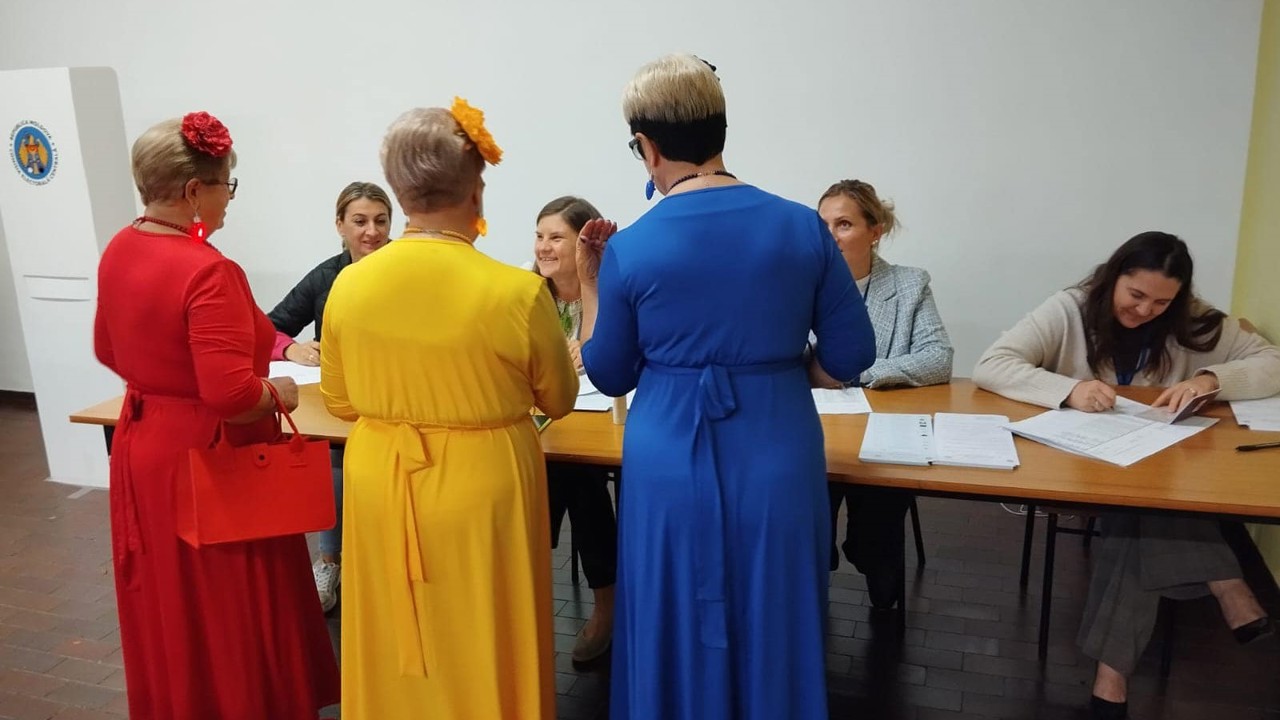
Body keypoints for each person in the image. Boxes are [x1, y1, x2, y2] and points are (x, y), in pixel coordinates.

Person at [577, 54, 876, 720]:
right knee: (776, 610)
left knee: (670, 608)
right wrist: (778, 368)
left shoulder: (633, 246)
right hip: (778, 448)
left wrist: (591, 286)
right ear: (720, 132)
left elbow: (611, 372)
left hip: (668, 461)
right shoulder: (802, 225)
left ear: (647, 148)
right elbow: (853, 354)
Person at [320, 99, 577, 719]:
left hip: (382, 476)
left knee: (394, 627)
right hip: (482, 483)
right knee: (484, 628)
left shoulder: (350, 285)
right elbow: (560, 398)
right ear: (476, 190)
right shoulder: (515, 292)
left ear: (402, 192)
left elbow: (339, 399)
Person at [973, 231, 1279, 720]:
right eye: (1135, 295)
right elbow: (991, 364)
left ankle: (1110, 682)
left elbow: (1272, 363)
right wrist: (1069, 389)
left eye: (1162, 302)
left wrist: (1211, 379)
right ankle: (1226, 581)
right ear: (1114, 277)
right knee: (1144, 509)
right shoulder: (1070, 308)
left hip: (1148, 464)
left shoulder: (1191, 318)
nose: (1145, 310)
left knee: (1138, 514)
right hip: (1073, 467)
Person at [94, 111, 339, 719]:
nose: (229, 198)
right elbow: (231, 394)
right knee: (227, 603)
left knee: (169, 600)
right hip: (210, 458)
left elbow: (105, 348)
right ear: (192, 191)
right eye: (226, 184)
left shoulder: (121, 248)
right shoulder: (208, 270)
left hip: (145, 445)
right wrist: (280, 390)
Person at [813, 179, 953, 608]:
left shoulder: (909, 284)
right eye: (823, 225)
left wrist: (859, 372)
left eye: (844, 224)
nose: (831, 236)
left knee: (877, 522)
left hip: (880, 429)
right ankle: (816, 565)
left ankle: (874, 567)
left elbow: (938, 357)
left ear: (875, 231)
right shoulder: (799, 283)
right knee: (801, 500)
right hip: (815, 428)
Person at [267, 181, 393, 612]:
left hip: (399, 402)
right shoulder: (326, 276)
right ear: (340, 225)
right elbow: (268, 326)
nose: (371, 232)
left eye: (381, 221)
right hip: (341, 405)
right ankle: (329, 562)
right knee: (335, 461)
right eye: (359, 221)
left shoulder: (405, 269)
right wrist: (291, 348)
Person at [526, 195, 619, 663]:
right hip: (538, 421)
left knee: (581, 480)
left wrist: (591, 283)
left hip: (596, 422)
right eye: (540, 236)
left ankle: (607, 610)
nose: (544, 247)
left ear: (583, 245)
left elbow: (600, 357)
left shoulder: (607, 287)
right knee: (538, 478)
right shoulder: (524, 290)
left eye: (556, 237)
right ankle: (525, 610)